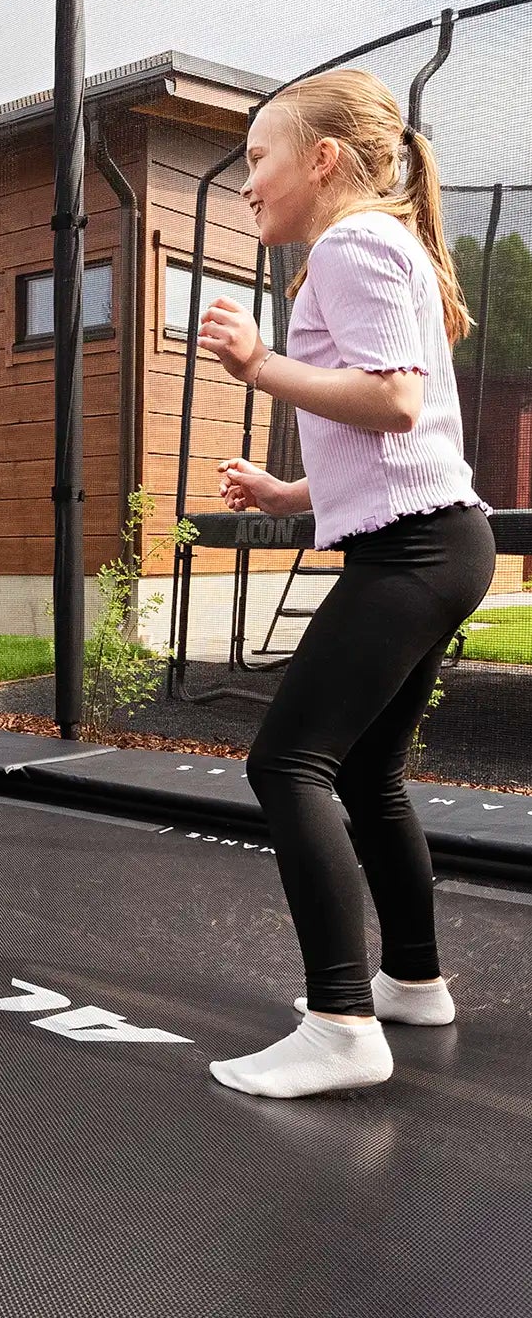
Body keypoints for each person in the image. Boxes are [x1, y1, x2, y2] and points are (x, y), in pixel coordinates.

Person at [196, 68, 495, 1098]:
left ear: (321, 160)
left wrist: (258, 366)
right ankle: (410, 981)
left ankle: (338, 1026)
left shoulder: (350, 243)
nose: (246, 183)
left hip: (415, 551)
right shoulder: (383, 242)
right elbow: (394, 443)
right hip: (434, 540)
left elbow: (395, 401)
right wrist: (289, 492)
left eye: (257, 158)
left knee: (287, 764)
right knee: (367, 775)